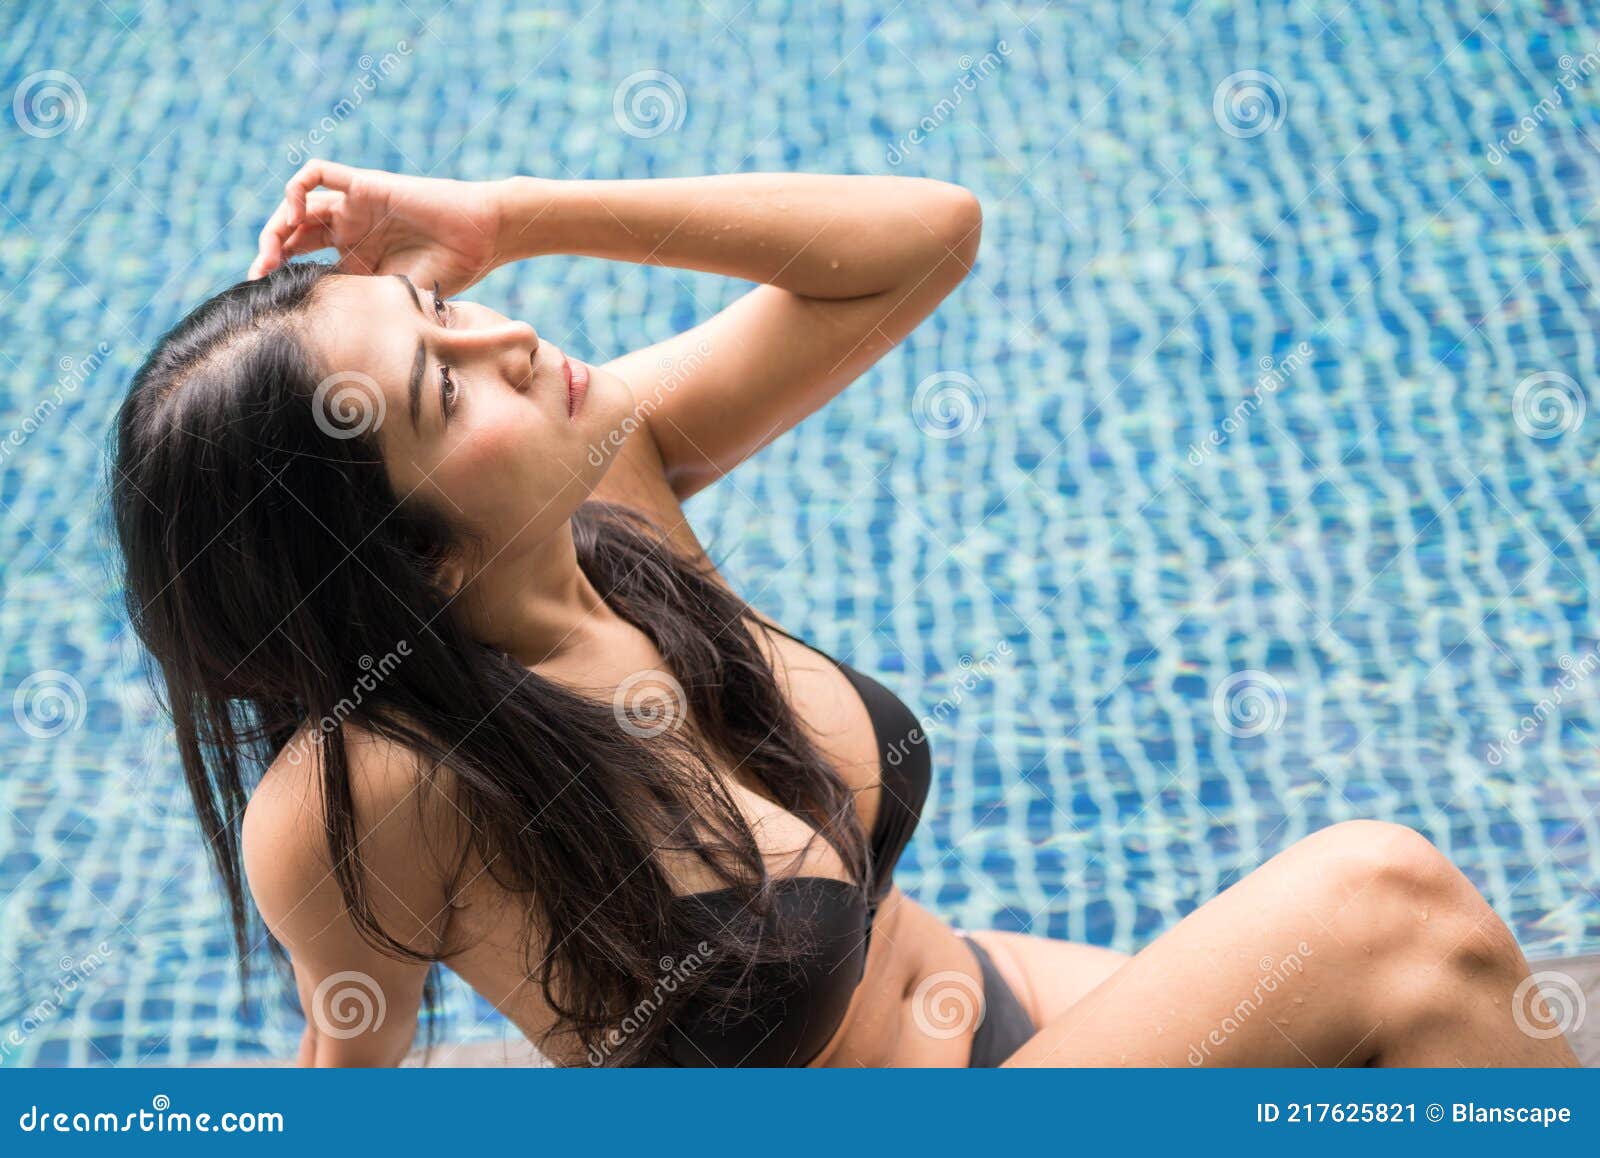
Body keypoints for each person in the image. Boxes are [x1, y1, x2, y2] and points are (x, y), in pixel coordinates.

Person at [112, 161, 1578, 1067]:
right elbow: (343, 1077)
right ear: (399, 566)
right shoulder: (372, 794)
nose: (510, 334)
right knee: (1390, 912)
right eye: (444, 382)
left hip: (989, 1012)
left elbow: (926, 236)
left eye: (444, 305)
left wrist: (508, 215)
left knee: (1451, 1042)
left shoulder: (608, 473)